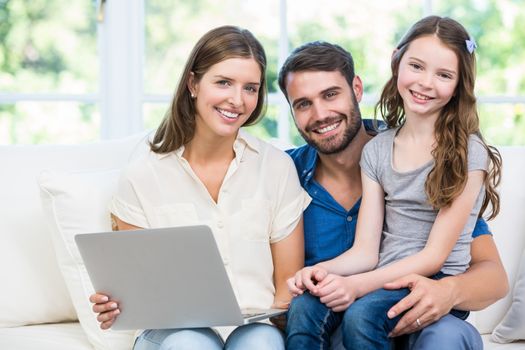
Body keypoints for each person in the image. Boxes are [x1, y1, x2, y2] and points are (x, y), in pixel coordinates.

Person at [279, 17, 508, 350]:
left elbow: (445, 260)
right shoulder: (372, 153)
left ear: (356, 89)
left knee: (365, 316)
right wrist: (317, 273)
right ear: (397, 63)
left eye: (331, 94)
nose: (426, 83)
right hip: (378, 283)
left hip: (423, 284)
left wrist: (358, 285)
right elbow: (366, 252)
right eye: (303, 103)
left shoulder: (464, 153)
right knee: (306, 307)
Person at [88, 25, 310, 350]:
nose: (237, 100)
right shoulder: (142, 175)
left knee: (261, 344)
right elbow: (136, 290)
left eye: (250, 88)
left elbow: (286, 288)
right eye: (223, 83)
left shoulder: (276, 167)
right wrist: (116, 307)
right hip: (170, 332)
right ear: (193, 83)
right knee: (192, 344)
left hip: (253, 327)